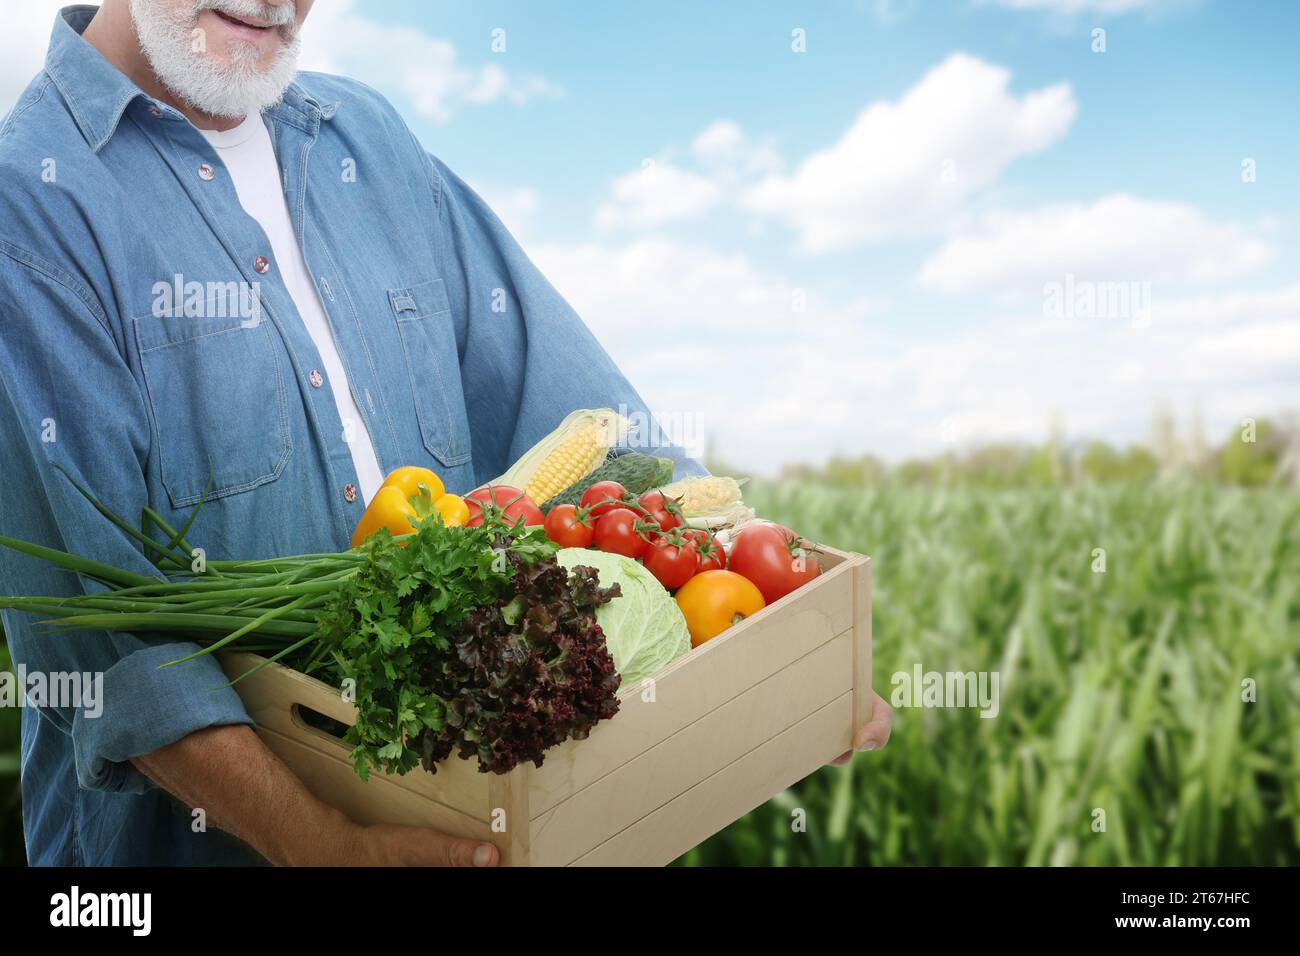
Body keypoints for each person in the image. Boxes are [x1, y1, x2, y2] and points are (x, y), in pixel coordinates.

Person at [0, 1, 892, 866]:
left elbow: (568, 399)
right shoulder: (29, 200)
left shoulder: (366, 140)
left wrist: (784, 643)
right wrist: (320, 845)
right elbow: (107, 650)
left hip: (459, 801)